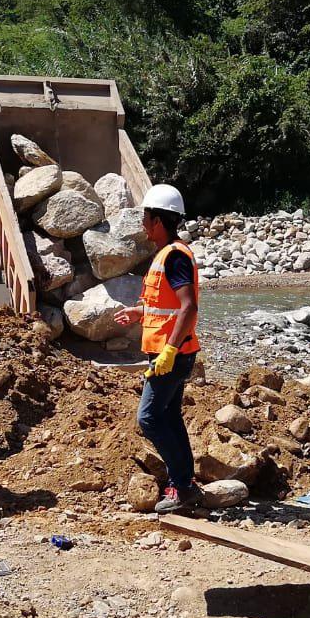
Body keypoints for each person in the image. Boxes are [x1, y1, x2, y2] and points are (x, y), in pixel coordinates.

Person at [113, 184, 202, 514]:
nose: (142, 223)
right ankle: (185, 483)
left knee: (149, 418)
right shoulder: (168, 253)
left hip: (172, 355)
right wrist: (140, 312)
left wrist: (169, 351)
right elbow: (166, 305)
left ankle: (181, 485)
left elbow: (188, 306)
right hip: (172, 352)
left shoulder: (175, 256)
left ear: (159, 220)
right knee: (169, 416)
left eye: (146, 217)